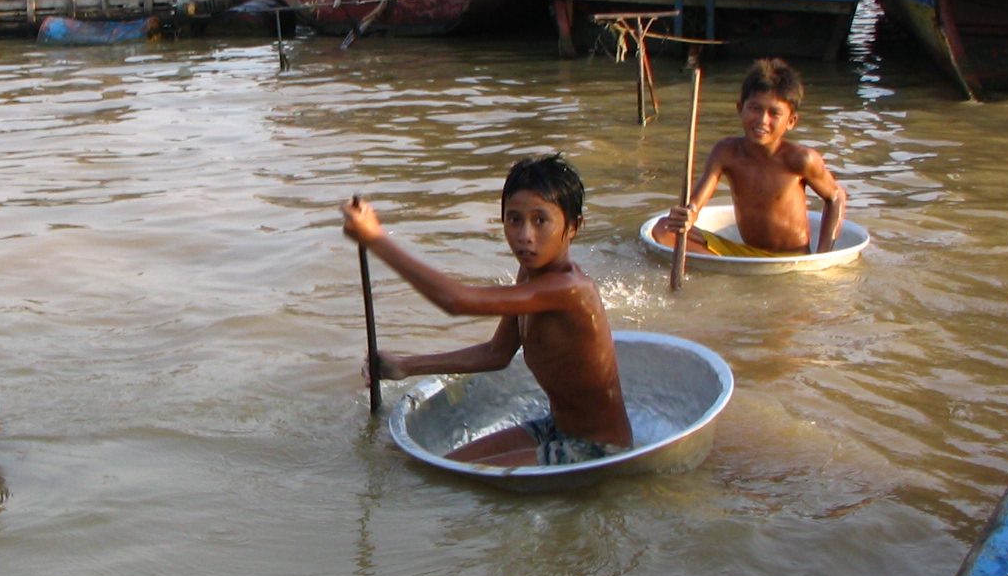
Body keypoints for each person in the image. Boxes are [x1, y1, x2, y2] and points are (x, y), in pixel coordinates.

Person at [341, 155, 633, 469]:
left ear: (573, 227)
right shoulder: (529, 274)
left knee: (439, 478)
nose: (525, 236)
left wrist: (376, 238)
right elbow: (497, 353)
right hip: (555, 428)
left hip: (597, 450)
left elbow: (457, 302)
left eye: (540, 220)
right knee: (429, 467)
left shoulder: (571, 289)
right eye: (514, 219)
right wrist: (405, 366)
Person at [652, 59, 846, 258]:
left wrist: (823, 255)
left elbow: (836, 197)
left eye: (774, 113)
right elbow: (695, 203)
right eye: (755, 108)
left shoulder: (801, 159)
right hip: (746, 255)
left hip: (790, 259)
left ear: (791, 121)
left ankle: (728, 272)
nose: (762, 120)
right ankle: (725, 272)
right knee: (663, 228)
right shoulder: (726, 152)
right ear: (740, 109)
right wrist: (688, 214)